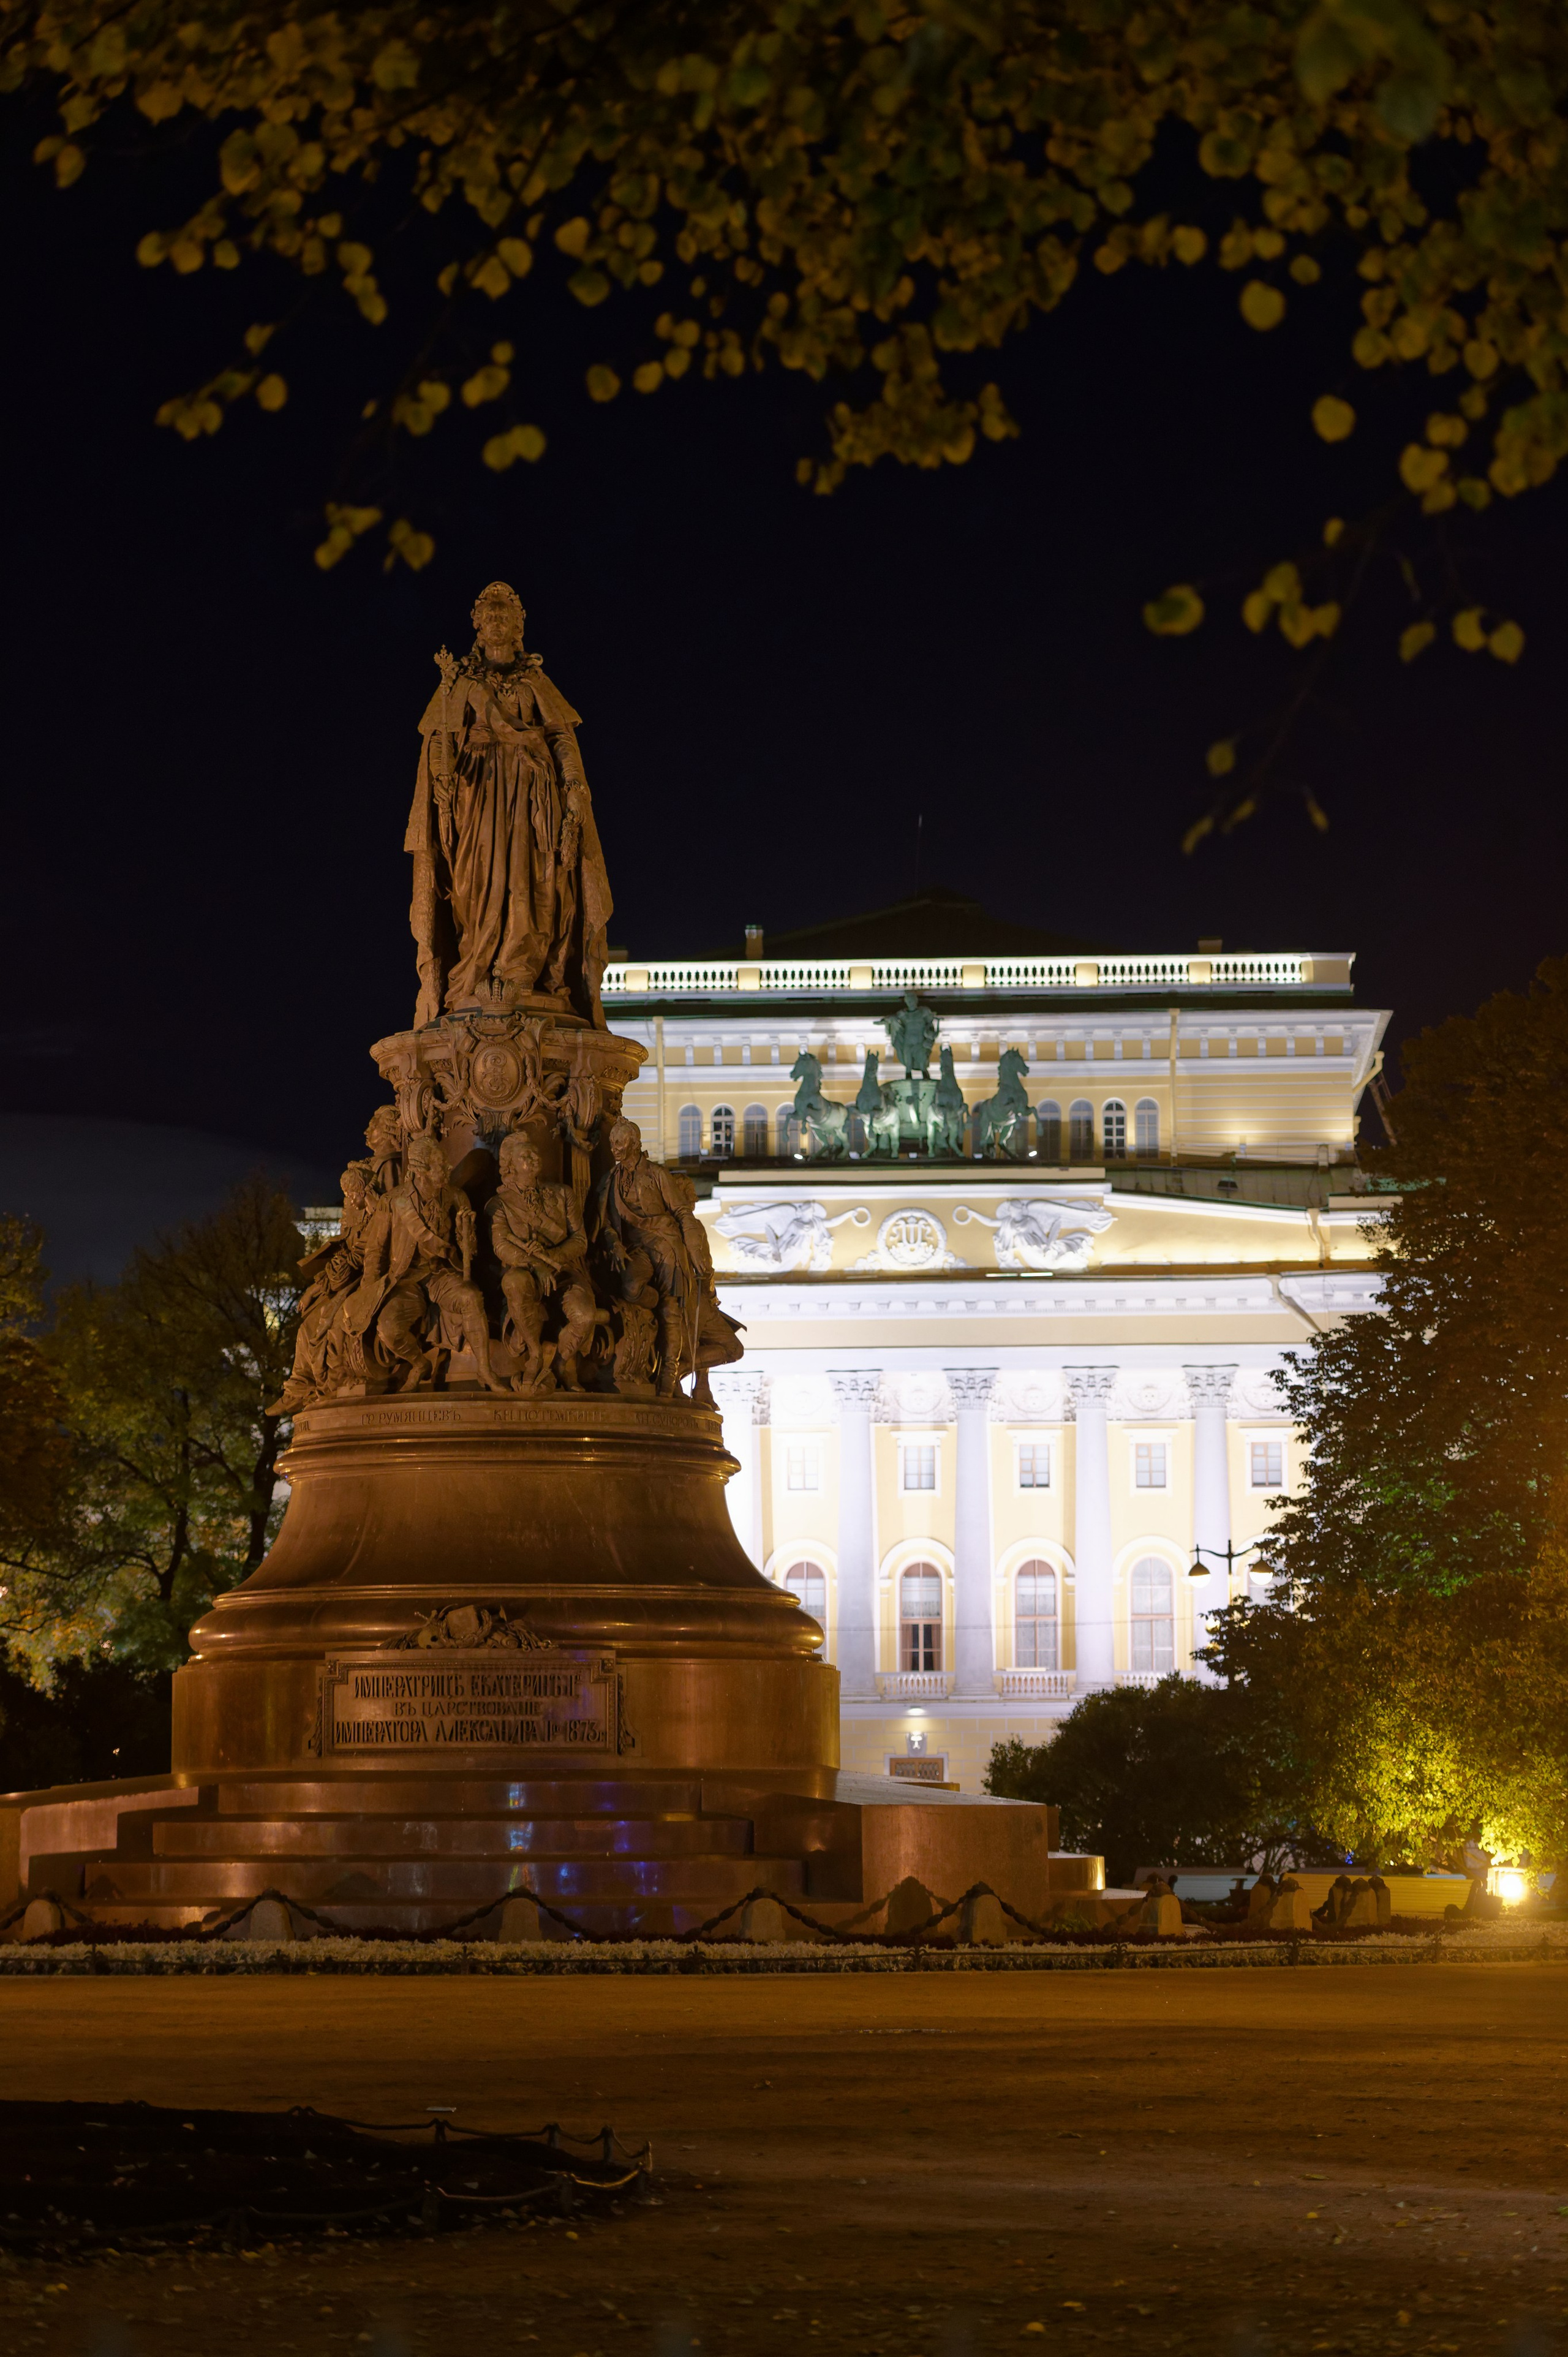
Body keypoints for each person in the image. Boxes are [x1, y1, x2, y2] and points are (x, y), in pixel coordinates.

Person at [405, 581, 613, 1029]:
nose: (497, 621)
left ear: (519, 626)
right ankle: (475, 972)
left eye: (506, 614)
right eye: (490, 615)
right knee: (473, 885)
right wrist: (441, 779)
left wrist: (574, 785)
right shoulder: (458, 683)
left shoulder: (535, 682)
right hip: (476, 793)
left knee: (535, 883)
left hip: (532, 793)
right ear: (478, 626)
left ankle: (521, 972)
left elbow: (560, 736)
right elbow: (440, 739)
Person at [345, 1133, 506, 1392]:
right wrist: (370, 1294)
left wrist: (466, 1235)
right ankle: (419, 1364)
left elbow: (470, 1251)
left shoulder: (456, 1197)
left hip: (441, 1275)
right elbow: (376, 1252)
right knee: (388, 1328)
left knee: (471, 1297)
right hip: (405, 1280)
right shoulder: (392, 1201)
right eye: (440, 1165)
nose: (448, 1168)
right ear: (421, 1170)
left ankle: (485, 1370)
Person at [487, 1132, 602, 1393]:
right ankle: (535, 1355)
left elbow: (580, 1240)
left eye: (536, 1153)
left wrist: (552, 1259)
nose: (534, 1158)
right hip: (525, 1271)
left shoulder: (563, 1194)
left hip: (564, 1271)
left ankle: (561, 1363)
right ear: (511, 1165)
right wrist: (535, 1265)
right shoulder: (499, 1205)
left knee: (585, 1315)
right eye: (526, 1155)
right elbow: (501, 1246)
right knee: (514, 1283)